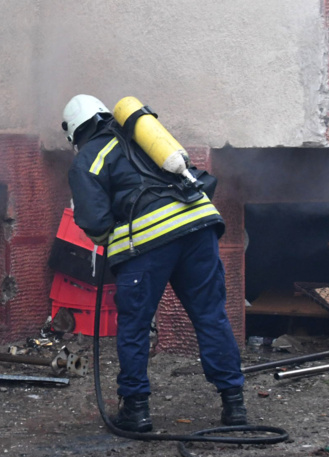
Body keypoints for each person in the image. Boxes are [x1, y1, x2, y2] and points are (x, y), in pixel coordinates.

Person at [61, 94, 246, 432]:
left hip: (150, 243)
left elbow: (95, 224)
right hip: (199, 224)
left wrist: (110, 238)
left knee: (134, 325)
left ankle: (136, 410)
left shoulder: (87, 158)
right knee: (211, 315)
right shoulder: (142, 138)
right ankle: (234, 404)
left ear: (75, 132)